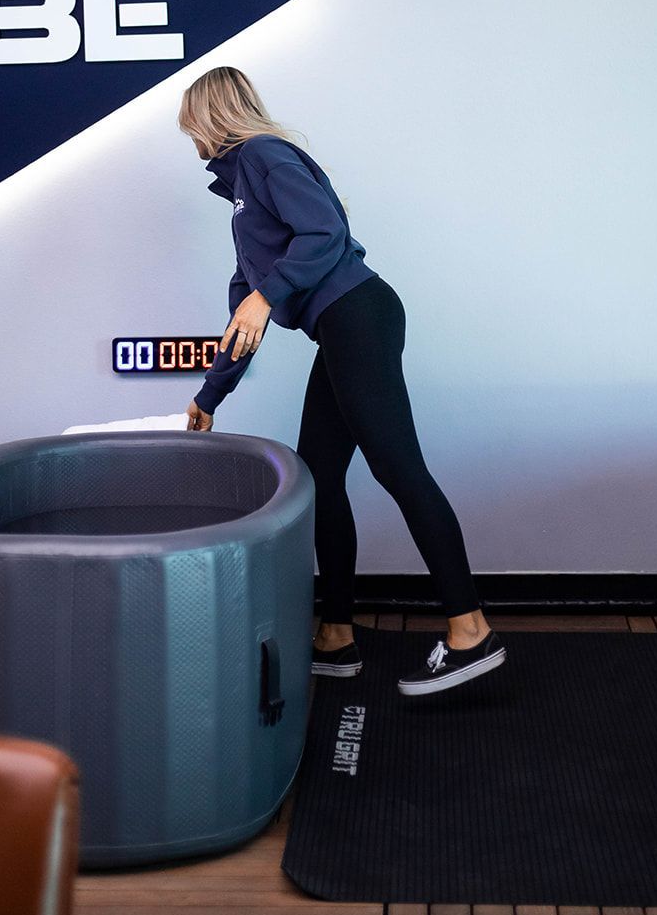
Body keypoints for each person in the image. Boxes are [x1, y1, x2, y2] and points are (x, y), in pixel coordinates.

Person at [178, 66, 505, 696]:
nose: (189, 139)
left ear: (209, 116)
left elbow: (326, 232)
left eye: (189, 125)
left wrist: (267, 296)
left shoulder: (265, 155)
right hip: (341, 326)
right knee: (319, 477)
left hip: (358, 314)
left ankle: (471, 632)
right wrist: (209, 395)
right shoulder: (244, 198)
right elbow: (245, 312)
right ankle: (336, 635)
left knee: (399, 470)